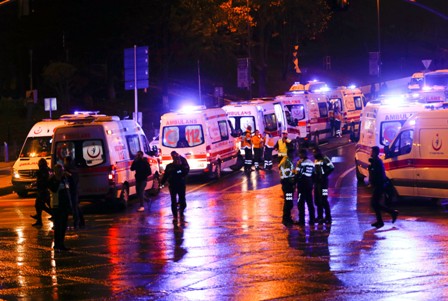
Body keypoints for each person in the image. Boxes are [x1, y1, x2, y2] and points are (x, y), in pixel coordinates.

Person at [368, 146, 399, 229]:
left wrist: (370, 168)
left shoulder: (377, 162)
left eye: (372, 151)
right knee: (375, 204)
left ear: (374, 152)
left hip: (379, 185)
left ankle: (391, 214)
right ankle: (382, 219)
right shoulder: (376, 161)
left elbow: (376, 174)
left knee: (374, 203)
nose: (370, 153)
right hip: (378, 185)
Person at [161, 151, 190, 223]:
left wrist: (178, 171)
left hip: (180, 184)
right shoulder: (169, 166)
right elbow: (166, 176)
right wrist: (162, 183)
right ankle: (175, 216)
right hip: (173, 185)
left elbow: (185, 171)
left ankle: (181, 212)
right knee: (173, 201)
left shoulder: (181, 166)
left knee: (182, 199)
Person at [48, 163, 72, 251]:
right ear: (55, 171)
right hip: (56, 205)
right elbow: (54, 189)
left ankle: (61, 244)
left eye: (61, 170)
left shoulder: (64, 179)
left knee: (63, 226)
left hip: (64, 205)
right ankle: (57, 244)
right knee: (58, 226)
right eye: (59, 170)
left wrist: (70, 205)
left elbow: (68, 191)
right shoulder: (52, 180)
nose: (61, 172)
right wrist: (58, 180)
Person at [313, 147, 335, 225]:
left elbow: (331, 167)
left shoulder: (325, 159)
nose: (314, 154)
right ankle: (320, 217)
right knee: (317, 200)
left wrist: (324, 175)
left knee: (324, 200)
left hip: (323, 183)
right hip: (317, 183)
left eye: (315, 152)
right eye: (313, 152)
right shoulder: (316, 160)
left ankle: (328, 217)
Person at [295, 148, 315, 226]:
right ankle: (312, 219)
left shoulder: (300, 162)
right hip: (309, 185)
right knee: (310, 203)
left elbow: (297, 173)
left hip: (302, 185)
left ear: (302, 154)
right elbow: (313, 174)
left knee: (300, 203)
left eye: (300, 154)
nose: (299, 155)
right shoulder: (311, 162)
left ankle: (301, 220)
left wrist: (295, 183)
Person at [63, 156, 85, 229]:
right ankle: (80, 221)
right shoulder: (73, 169)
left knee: (74, 207)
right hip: (74, 190)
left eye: (65, 161)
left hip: (72, 190)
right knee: (75, 206)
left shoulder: (68, 170)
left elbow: (70, 181)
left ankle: (77, 222)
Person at [30, 158, 53, 226]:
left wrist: (35, 184)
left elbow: (41, 181)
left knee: (40, 205)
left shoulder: (41, 171)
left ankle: (52, 214)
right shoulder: (47, 170)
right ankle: (39, 219)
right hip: (45, 190)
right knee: (39, 205)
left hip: (42, 191)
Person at [279, 149, 296, 226]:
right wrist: (295, 173)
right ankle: (286, 219)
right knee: (288, 202)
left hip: (286, 183)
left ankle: (287, 218)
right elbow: (287, 174)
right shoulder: (287, 162)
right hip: (288, 184)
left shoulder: (285, 160)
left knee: (288, 201)